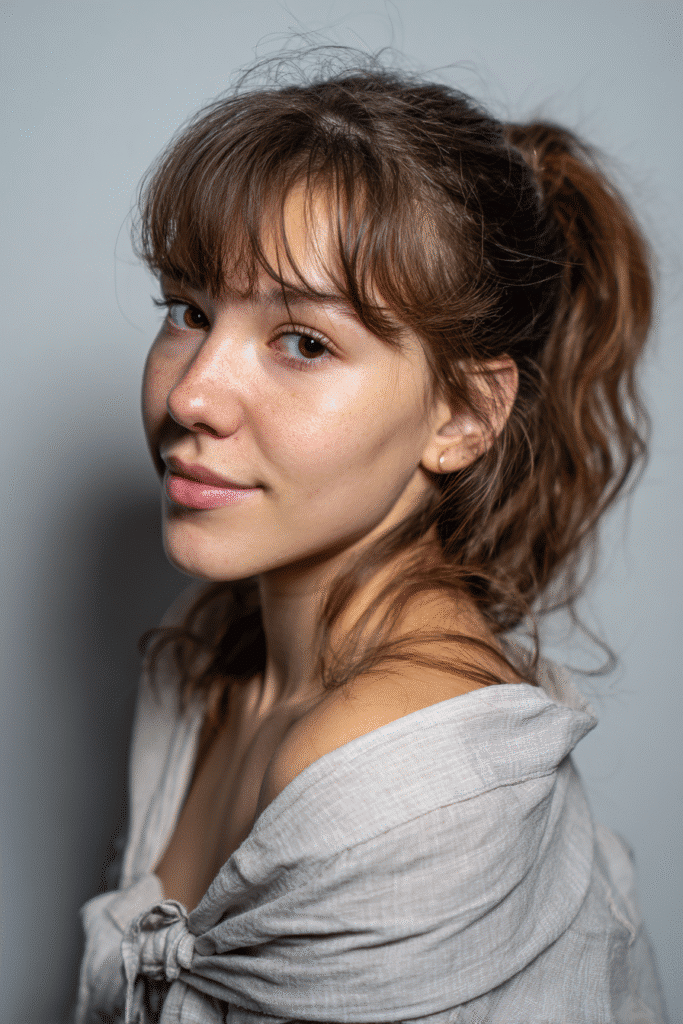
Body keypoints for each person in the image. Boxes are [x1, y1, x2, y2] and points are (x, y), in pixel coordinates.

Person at [74, 51, 668, 1023]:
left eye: (303, 342)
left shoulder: (393, 769)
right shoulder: (206, 658)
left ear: (463, 415)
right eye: (189, 309)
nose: (191, 395)